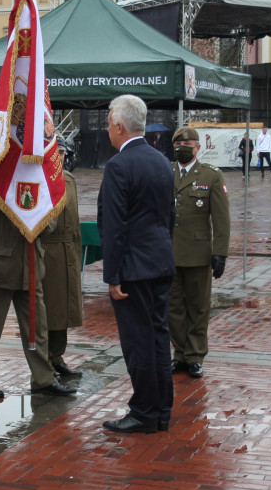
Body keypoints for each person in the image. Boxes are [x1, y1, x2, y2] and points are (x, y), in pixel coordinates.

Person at [97, 94, 176, 434]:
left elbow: (114, 226)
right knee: (158, 337)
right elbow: (169, 216)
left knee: (138, 342)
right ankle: (161, 409)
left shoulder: (119, 165)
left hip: (133, 267)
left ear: (118, 125)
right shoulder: (161, 160)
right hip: (159, 261)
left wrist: (112, 275)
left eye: (109, 122)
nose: (107, 129)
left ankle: (144, 410)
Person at [0, 167, 75, 399]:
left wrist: (41, 217)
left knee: (37, 325)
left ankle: (43, 378)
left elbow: (48, 223)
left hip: (30, 262)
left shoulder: (36, 178)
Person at [169, 127, 230, 379]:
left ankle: (195, 356)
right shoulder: (165, 172)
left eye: (188, 143)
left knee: (198, 307)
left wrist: (220, 252)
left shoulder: (211, 176)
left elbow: (221, 217)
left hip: (198, 252)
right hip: (169, 252)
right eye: (179, 143)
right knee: (172, 307)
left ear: (198, 147)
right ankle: (180, 354)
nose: (183, 146)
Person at [42, 140, 84, 378]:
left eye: (61, 152)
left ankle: (57, 356)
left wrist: (76, 252)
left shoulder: (68, 179)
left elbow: (75, 222)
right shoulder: (38, 178)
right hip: (49, 251)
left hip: (67, 249)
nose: (59, 156)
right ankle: (45, 360)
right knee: (50, 309)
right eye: (54, 152)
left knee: (65, 310)